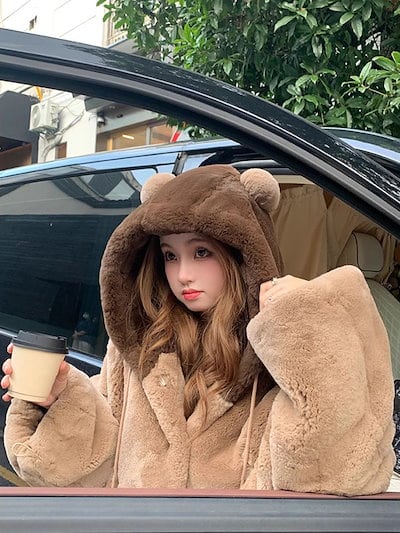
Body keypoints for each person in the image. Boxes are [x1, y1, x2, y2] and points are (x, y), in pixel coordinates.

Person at [1, 165, 395, 494]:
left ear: (240, 255)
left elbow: (336, 474)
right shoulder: (138, 347)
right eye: (170, 255)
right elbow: (88, 470)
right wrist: (59, 399)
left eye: (201, 252)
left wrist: (303, 325)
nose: (182, 274)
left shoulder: (280, 349)